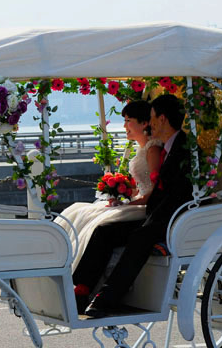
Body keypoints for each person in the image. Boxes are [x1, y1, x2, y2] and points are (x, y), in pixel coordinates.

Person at [73, 94, 194, 317]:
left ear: (162, 119)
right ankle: (80, 290)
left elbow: (176, 194)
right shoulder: (169, 147)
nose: (150, 124)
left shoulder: (182, 149)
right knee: (105, 231)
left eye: (152, 118)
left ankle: (107, 298)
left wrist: (149, 218)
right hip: (157, 213)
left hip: (171, 217)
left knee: (141, 237)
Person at [58, 100, 163, 274]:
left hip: (145, 205)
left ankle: (81, 274)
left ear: (144, 123)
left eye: (129, 120)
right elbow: (140, 186)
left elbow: (154, 189)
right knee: (79, 210)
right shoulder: (143, 149)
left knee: (97, 219)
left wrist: (127, 204)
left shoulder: (153, 150)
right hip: (139, 200)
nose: (124, 125)